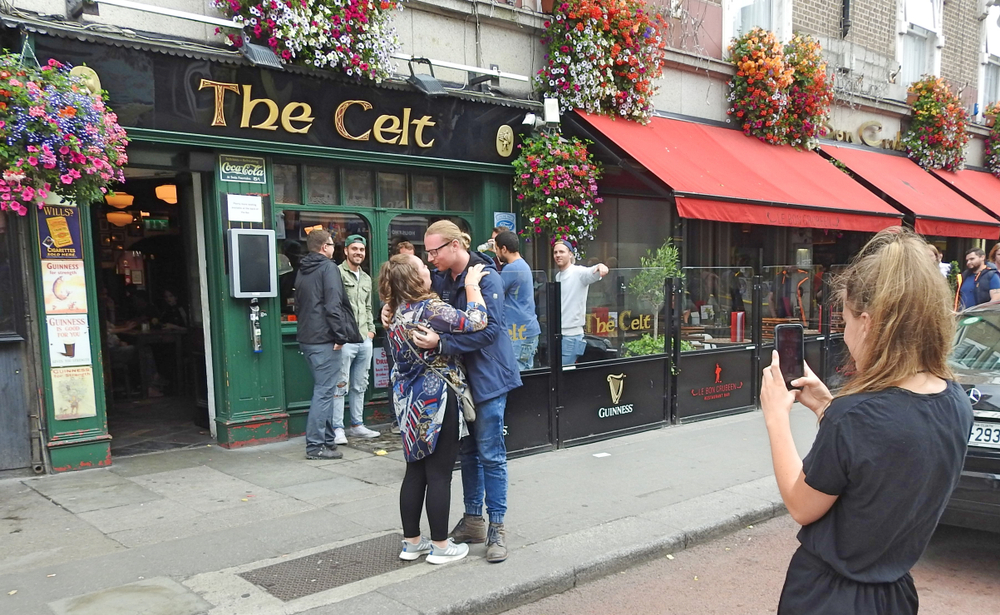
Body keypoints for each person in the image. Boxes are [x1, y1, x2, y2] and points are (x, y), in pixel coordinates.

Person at [759, 229, 973, 615]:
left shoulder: (855, 415)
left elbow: (802, 505)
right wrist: (826, 406)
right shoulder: (955, 401)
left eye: (845, 319)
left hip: (828, 597)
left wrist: (776, 418)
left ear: (868, 321)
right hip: (895, 594)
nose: (844, 331)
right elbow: (884, 455)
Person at [401, 220, 522, 563]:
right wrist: (389, 307)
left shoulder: (486, 276)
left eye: (434, 250)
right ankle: (473, 520)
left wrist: (442, 342)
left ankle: (497, 527)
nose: (430, 256)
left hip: (487, 379)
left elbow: (489, 332)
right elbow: (422, 305)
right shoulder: (440, 277)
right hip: (457, 382)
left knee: (490, 453)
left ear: (455, 246)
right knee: (467, 453)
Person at [379, 254, 491, 565]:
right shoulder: (431, 309)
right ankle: (441, 546)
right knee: (440, 474)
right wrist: (471, 286)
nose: (428, 270)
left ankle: (412, 542)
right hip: (437, 400)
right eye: (421, 268)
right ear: (415, 279)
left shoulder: (394, 310)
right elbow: (478, 322)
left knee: (415, 471)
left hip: (407, 402)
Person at [295, 229, 363, 460]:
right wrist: (340, 336)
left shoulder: (303, 269)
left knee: (321, 390)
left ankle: (326, 439)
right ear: (325, 247)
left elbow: (300, 304)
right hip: (325, 338)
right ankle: (316, 446)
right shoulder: (328, 268)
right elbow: (333, 305)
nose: (334, 248)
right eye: (332, 244)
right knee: (324, 392)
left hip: (307, 337)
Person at [333, 235, 380, 443]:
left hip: (364, 338)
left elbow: (368, 306)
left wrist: (371, 330)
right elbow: (333, 306)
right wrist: (338, 334)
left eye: (361, 249)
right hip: (345, 339)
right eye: (354, 249)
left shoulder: (367, 278)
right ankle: (337, 428)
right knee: (340, 384)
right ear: (345, 251)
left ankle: (357, 425)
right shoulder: (336, 273)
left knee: (360, 384)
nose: (358, 253)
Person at [553, 240, 608, 365]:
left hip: (571, 336)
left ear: (570, 254)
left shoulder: (578, 272)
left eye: (562, 251)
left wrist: (600, 267)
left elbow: (592, 272)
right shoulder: (558, 276)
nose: (558, 255)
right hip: (560, 334)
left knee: (565, 375)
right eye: (555, 252)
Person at [494, 231, 541, 370]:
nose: (496, 253)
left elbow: (495, 293)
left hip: (518, 332)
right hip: (528, 329)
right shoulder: (523, 265)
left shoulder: (511, 268)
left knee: (517, 375)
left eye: (496, 249)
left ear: (504, 249)